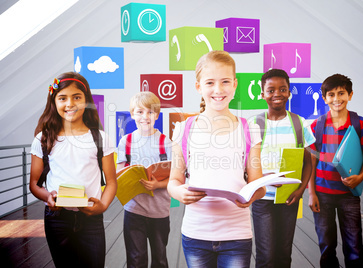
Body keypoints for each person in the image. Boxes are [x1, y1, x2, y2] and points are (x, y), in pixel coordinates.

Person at [167, 50, 265, 268]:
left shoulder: (250, 129)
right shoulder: (184, 129)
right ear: (198, 86)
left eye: (225, 82)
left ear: (235, 84)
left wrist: (253, 194)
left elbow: (258, 185)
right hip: (195, 233)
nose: (218, 90)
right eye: (210, 82)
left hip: (237, 235)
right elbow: (174, 180)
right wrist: (178, 192)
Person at [29, 72, 117, 267]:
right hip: (57, 219)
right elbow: (34, 184)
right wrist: (47, 197)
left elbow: (111, 182)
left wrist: (102, 206)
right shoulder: (43, 139)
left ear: (86, 100)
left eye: (76, 97)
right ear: (54, 102)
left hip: (92, 218)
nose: (70, 104)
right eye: (62, 98)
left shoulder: (100, 138)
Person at [308, 74, 363, 268]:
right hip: (322, 194)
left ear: (350, 95)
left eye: (341, 93)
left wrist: (360, 177)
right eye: (331, 94)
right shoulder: (317, 125)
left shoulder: (359, 123)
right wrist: (311, 193)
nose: (336, 98)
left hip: (349, 195)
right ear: (324, 98)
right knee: (326, 245)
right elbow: (311, 162)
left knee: (354, 245)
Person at [251, 69, 315, 268]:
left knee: (284, 253)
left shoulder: (299, 123)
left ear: (289, 93)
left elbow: (309, 161)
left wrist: (301, 189)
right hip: (262, 198)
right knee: (265, 255)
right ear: (262, 95)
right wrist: (262, 177)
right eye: (270, 90)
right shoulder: (254, 124)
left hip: (290, 198)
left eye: (282, 89)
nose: (277, 93)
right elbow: (248, 163)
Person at [116, 91, 172, 268]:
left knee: (160, 259)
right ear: (132, 114)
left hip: (160, 212)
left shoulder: (166, 142)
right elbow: (119, 172)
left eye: (150, 112)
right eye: (140, 112)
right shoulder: (126, 141)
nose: (145, 117)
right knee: (136, 259)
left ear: (157, 114)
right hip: (134, 210)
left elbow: (175, 178)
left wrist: (158, 184)